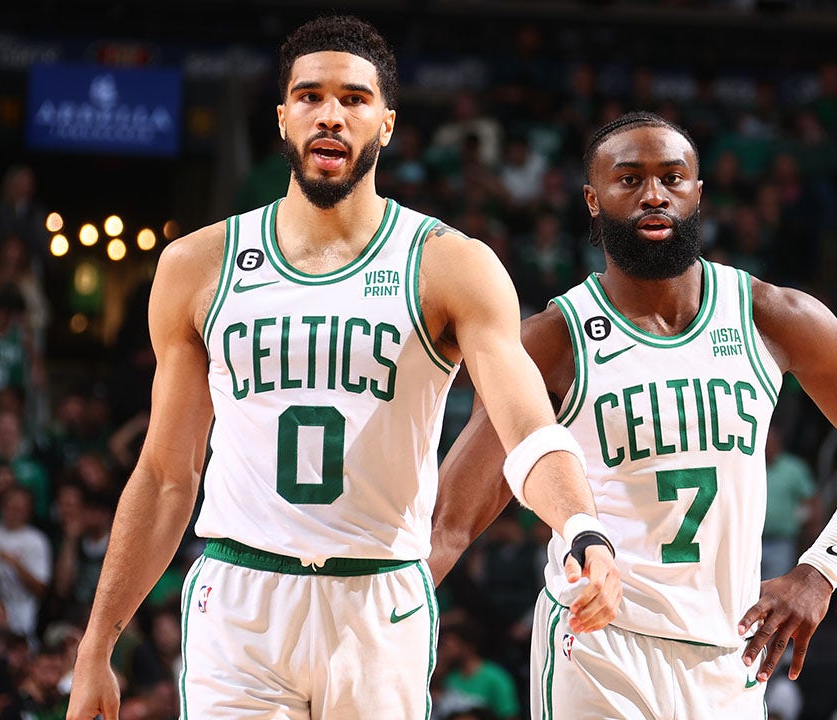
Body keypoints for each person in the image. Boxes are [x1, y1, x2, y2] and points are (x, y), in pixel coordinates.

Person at [67, 16, 621, 720]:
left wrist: (580, 528)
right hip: (240, 595)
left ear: (386, 124)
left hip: (379, 597)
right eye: (310, 96)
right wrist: (95, 648)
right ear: (282, 117)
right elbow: (167, 474)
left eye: (355, 99)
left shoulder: (451, 264)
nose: (331, 114)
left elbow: (526, 424)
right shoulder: (196, 267)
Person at [429, 112, 837, 718]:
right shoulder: (552, 342)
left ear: (698, 192)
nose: (654, 195)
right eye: (629, 179)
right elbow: (450, 521)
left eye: (672, 177)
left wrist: (821, 571)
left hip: (729, 655)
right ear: (592, 199)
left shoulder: (772, 317)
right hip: (598, 645)